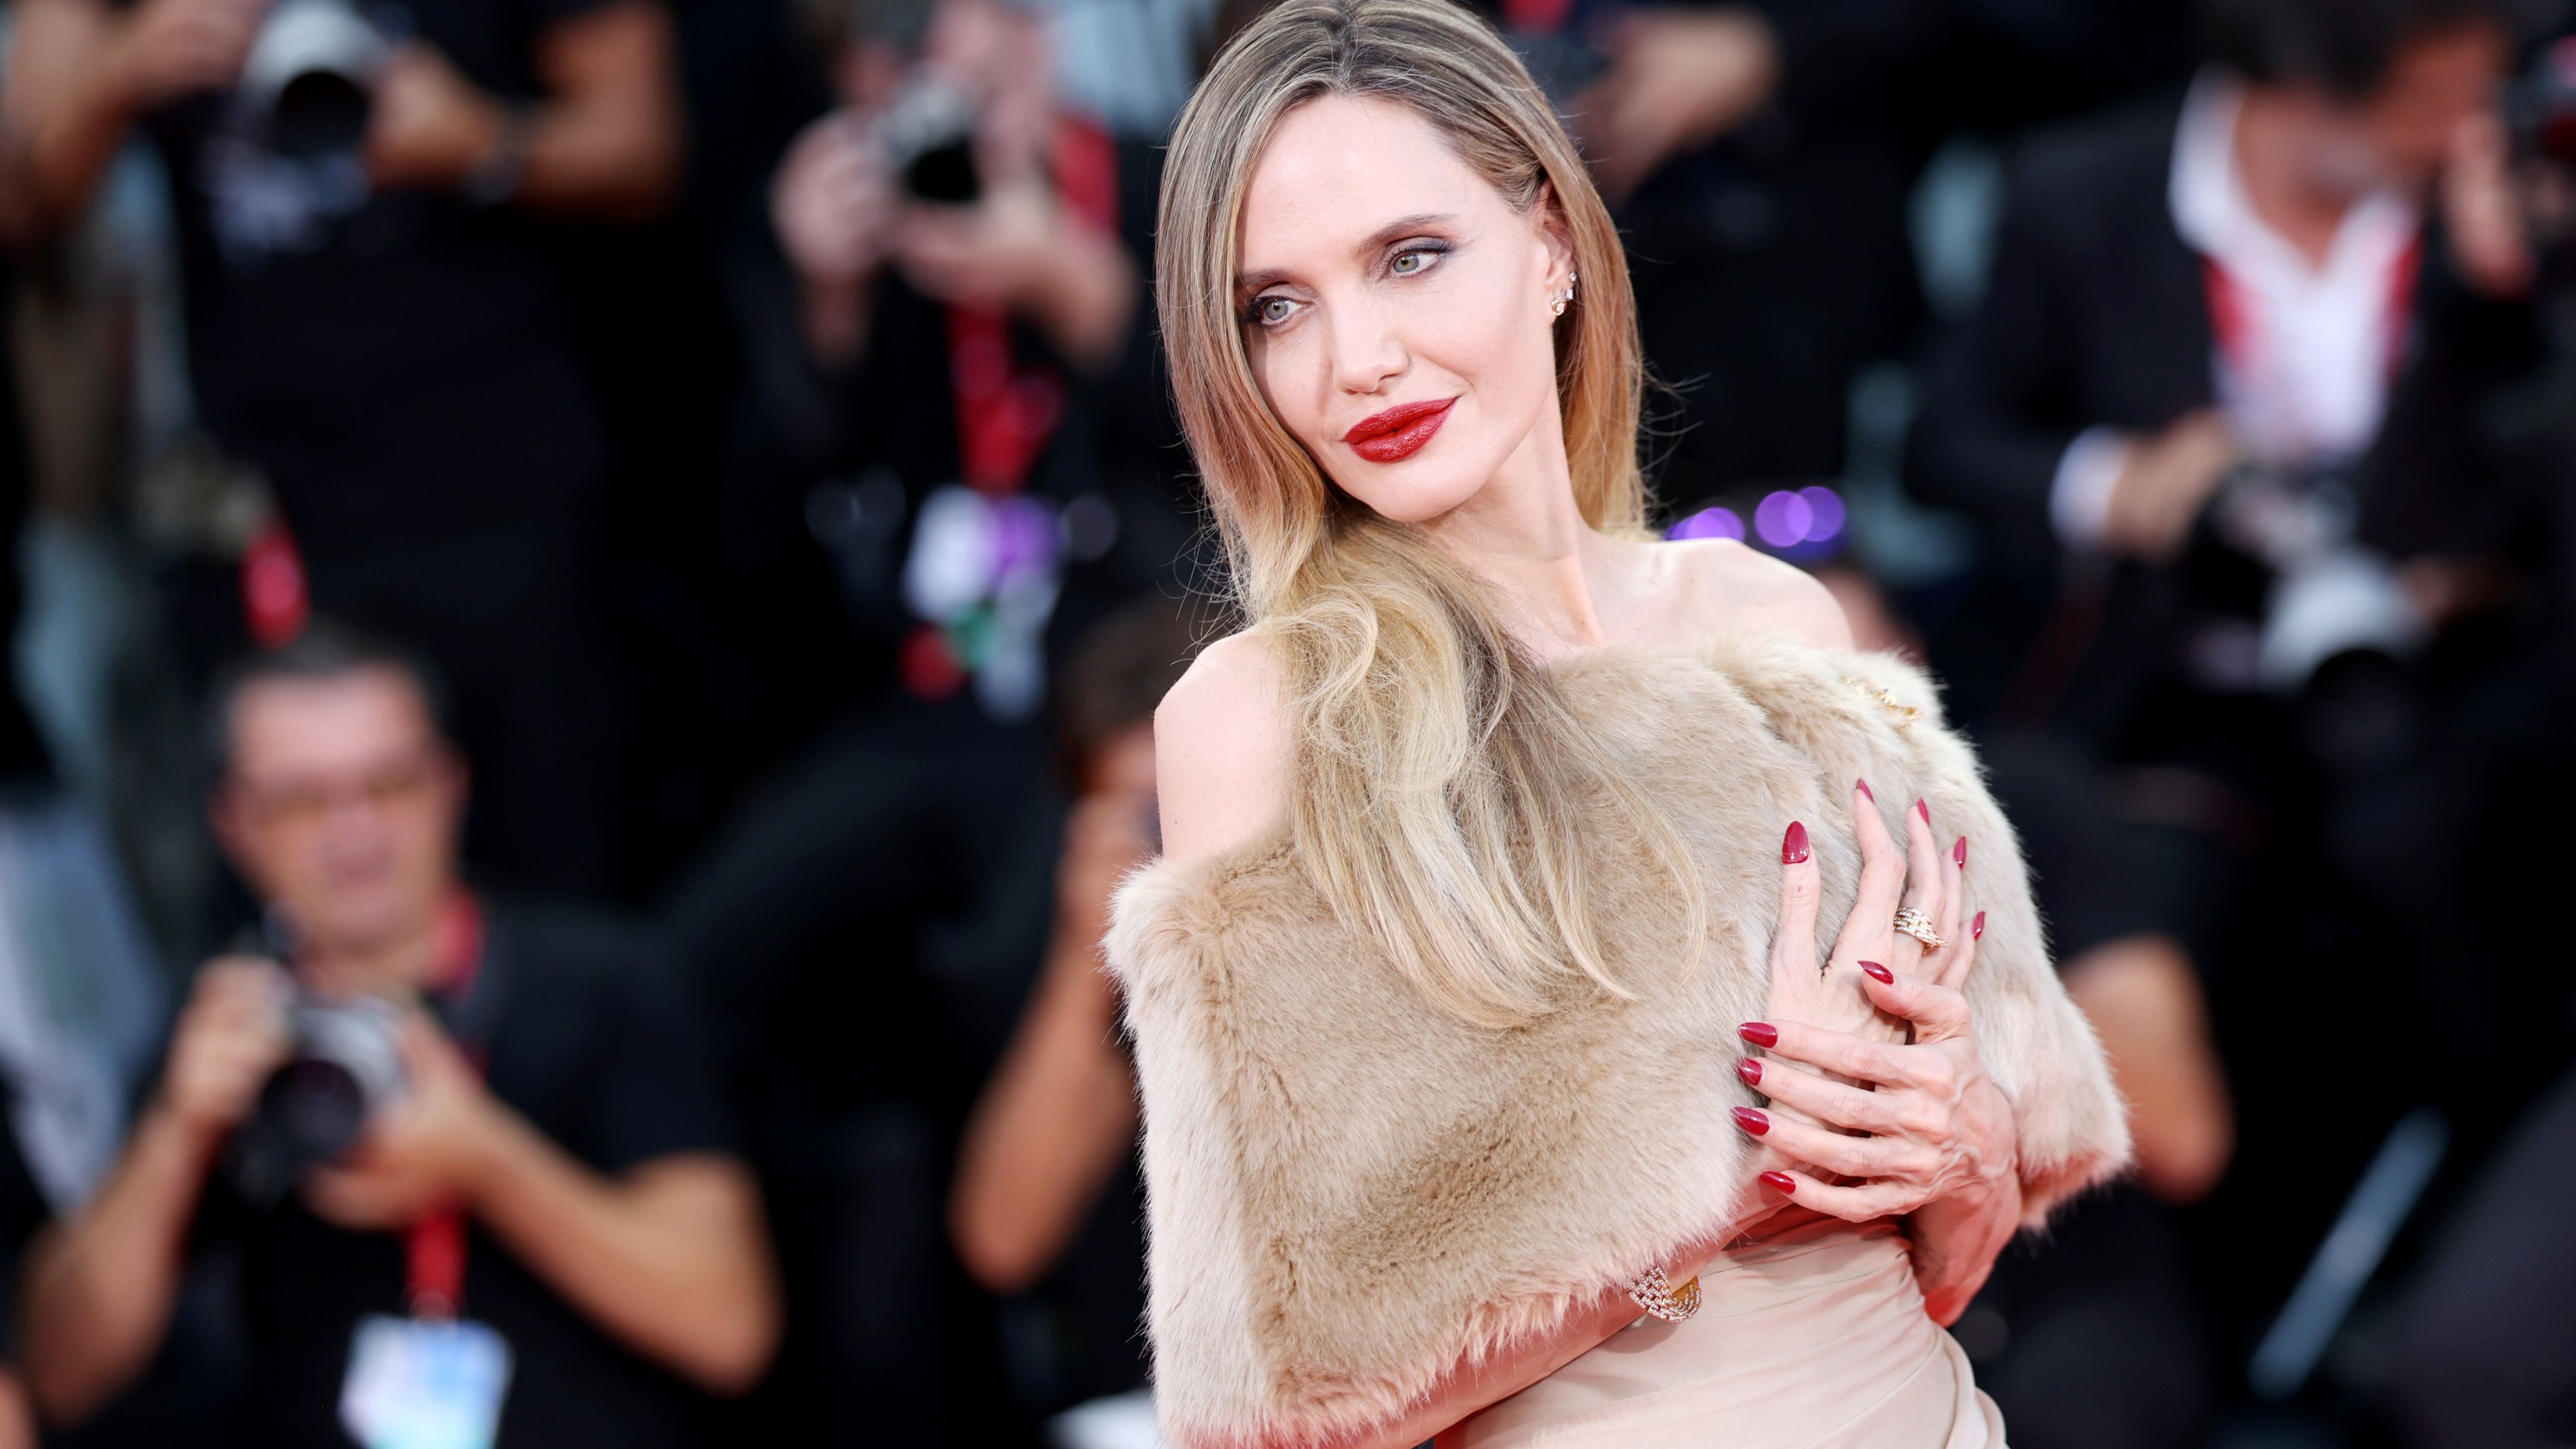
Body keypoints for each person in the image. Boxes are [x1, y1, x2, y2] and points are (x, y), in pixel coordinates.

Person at [1107, 3, 2129, 1446]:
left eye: (1411, 258)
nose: (1358, 361)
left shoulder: (1774, 627)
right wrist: (1715, 1195)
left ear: (1551, 243)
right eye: (1276, 305)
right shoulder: (1264, 718)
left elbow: (1952, 1250)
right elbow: (1283, 1404)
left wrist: (1950, 1141)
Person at [17, 624, 778, 1446]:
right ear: (236, 824)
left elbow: (730, 1330)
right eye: (303, 799)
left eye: (387, 784)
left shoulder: (602, 985)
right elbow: (58, 1379)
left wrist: (487, 1160)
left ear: (450, 782)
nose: (355, 833)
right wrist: (177, 1131)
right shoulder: (230, 1035)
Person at [1, 0, 686, 894]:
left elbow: (644, 147)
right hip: (271, 511)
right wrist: (120, 73)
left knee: (555, 855)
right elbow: (18, 203)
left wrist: (483, 141)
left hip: (507, 476)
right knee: (304, 881)